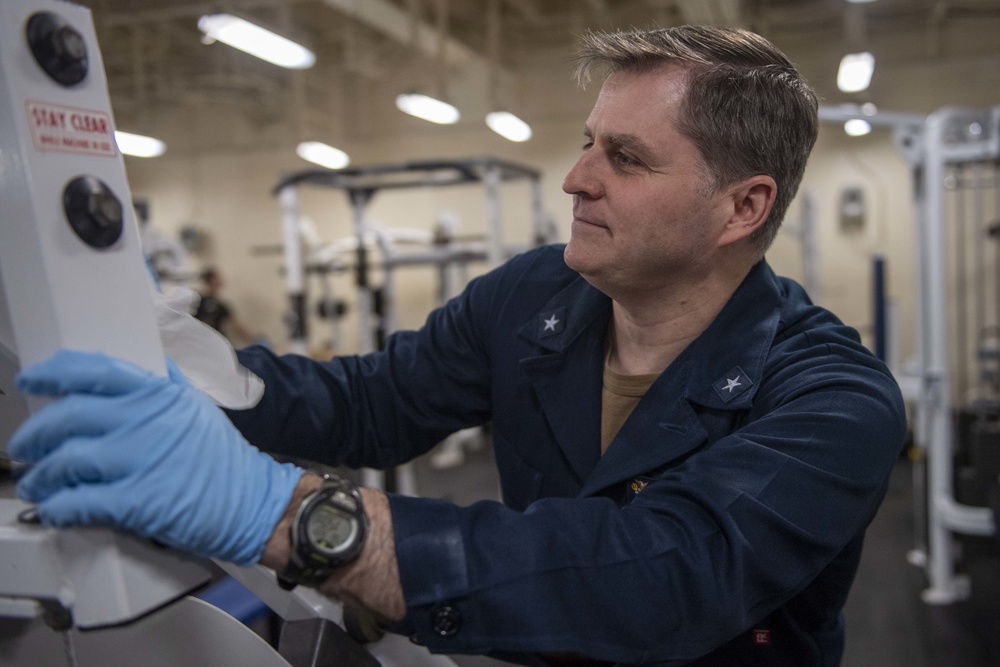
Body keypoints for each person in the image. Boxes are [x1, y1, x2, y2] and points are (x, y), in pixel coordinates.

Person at [9, 25, 906, 666]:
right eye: (588, 142)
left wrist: (284, 514)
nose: (576, 178)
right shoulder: (535, 296)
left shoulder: (834, 401)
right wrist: (224, 379)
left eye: (625, 159)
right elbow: (374, 403)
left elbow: (657, 579)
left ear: (742, 207)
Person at [193, 267, 261, 346]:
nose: (221, 280)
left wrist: (255, 340)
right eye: (218, 277)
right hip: (200, 342)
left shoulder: (221, 305)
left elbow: (236, 326)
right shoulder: (197, 300)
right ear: (211, 280)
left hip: (216, 343)